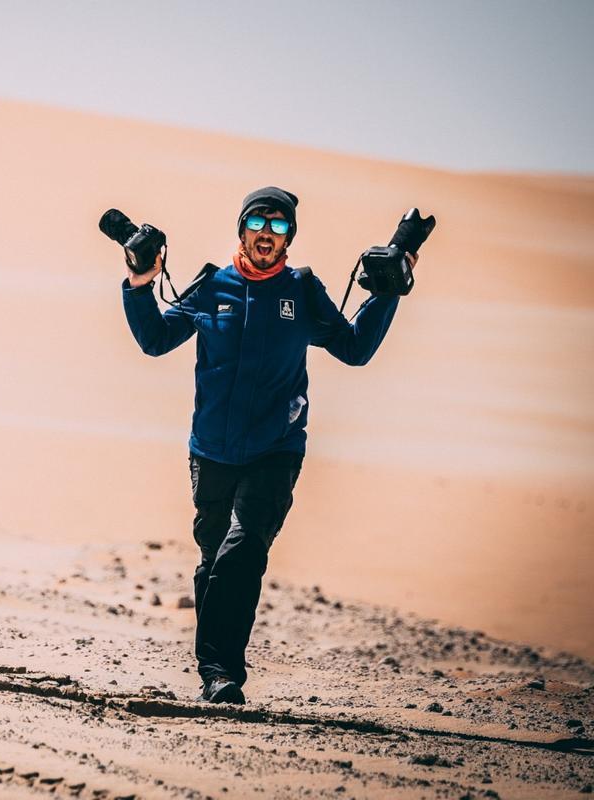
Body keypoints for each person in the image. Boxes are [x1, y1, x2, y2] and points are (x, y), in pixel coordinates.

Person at [119, 186, 417, 705]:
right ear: (242, 229)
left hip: (276, 449)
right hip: (210, 449)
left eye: (279, 227)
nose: (267, 234)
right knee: (213, 557)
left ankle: (220, 673)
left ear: (289, 238)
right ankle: (213, 665)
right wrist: (141, 282)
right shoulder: (212, 286)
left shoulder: (301, 290)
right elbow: (154, 340)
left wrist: (388, 289)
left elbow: (355, 348)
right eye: (259, 223)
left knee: (243, 549)